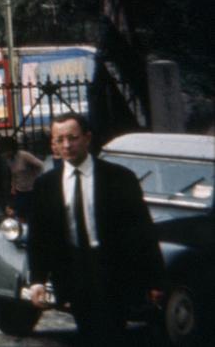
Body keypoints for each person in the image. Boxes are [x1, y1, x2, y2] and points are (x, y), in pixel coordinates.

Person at [26, 111, 163, 343]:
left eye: (73, 137)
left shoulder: (119, 178)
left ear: (87, 138)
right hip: (73, 271)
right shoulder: (45, 185)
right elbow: (39, 236)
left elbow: (142, 230)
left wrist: (156, 280)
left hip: (113, 269)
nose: (67, 145)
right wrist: (37, 279)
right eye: (60, 140)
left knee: (113, 332)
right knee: (87, 332)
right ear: (53, 144)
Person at [0, 135, 44, 221]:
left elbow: (40, 165)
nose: (4, 155)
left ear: (11, 149)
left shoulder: (24, 156)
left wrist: (36, 178)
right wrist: (13, 186)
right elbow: (13, 173)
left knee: (33, 215)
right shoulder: (9, 160)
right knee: (21, 215)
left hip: (32, 190)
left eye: (6, 152)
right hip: (20, 191)